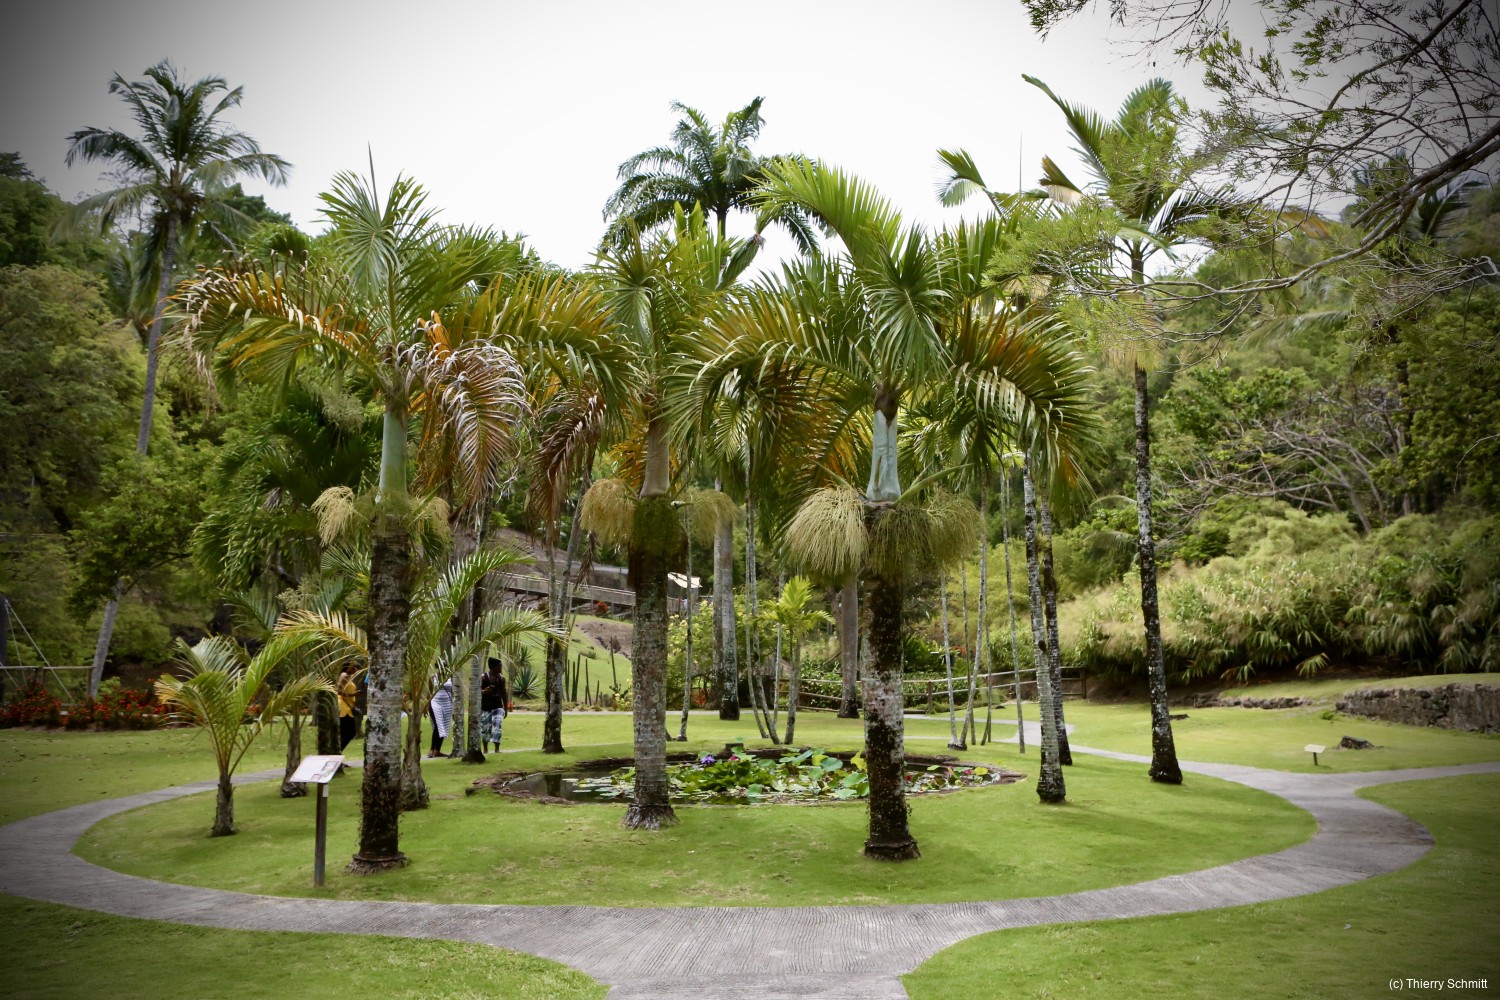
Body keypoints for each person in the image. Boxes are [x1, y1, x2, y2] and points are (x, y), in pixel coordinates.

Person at [480, 657, 510, 753]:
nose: (501, 668)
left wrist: (506, 708)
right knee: (485, 728)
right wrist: (483, 691)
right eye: (499, 666)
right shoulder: (483, 677)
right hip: (485, 706)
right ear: (493, 667)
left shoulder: (501, 679)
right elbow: (476, 690)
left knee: (497, 726)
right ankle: (485, 750)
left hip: (498, 706)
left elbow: (504, 693)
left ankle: (497, 749)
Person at [428, 676, 454, 758]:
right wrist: (427, 706)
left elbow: (453, 691)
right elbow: (429, 692)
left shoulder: (451, 678)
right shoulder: (433, 677)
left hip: (447, 704)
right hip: (435, 703)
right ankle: (432, 749)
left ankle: (437, 750)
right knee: (438, 725)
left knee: (444, 726)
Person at [337, 667, 359, 751]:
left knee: (344, 732)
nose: (356, 670)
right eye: (354, 668)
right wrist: (352, 694)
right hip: (344, 707)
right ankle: (338, 751)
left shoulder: (348, 677)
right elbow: (339, 690)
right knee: (351, 732)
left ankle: (337, 752)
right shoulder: (344, 674)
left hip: (347, 706)